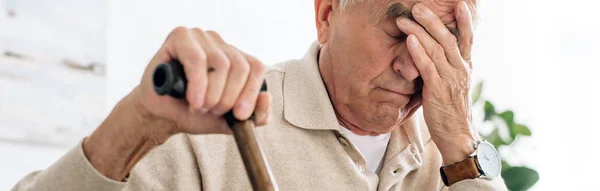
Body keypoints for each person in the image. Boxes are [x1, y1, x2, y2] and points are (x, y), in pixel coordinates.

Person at [12, 0, 507, 190]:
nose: (413, 65)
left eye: (442, 42)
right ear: (327, 15)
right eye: (401, 30)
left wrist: (463, 148)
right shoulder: (211, 125)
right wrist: (135, 123)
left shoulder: (450, 158)